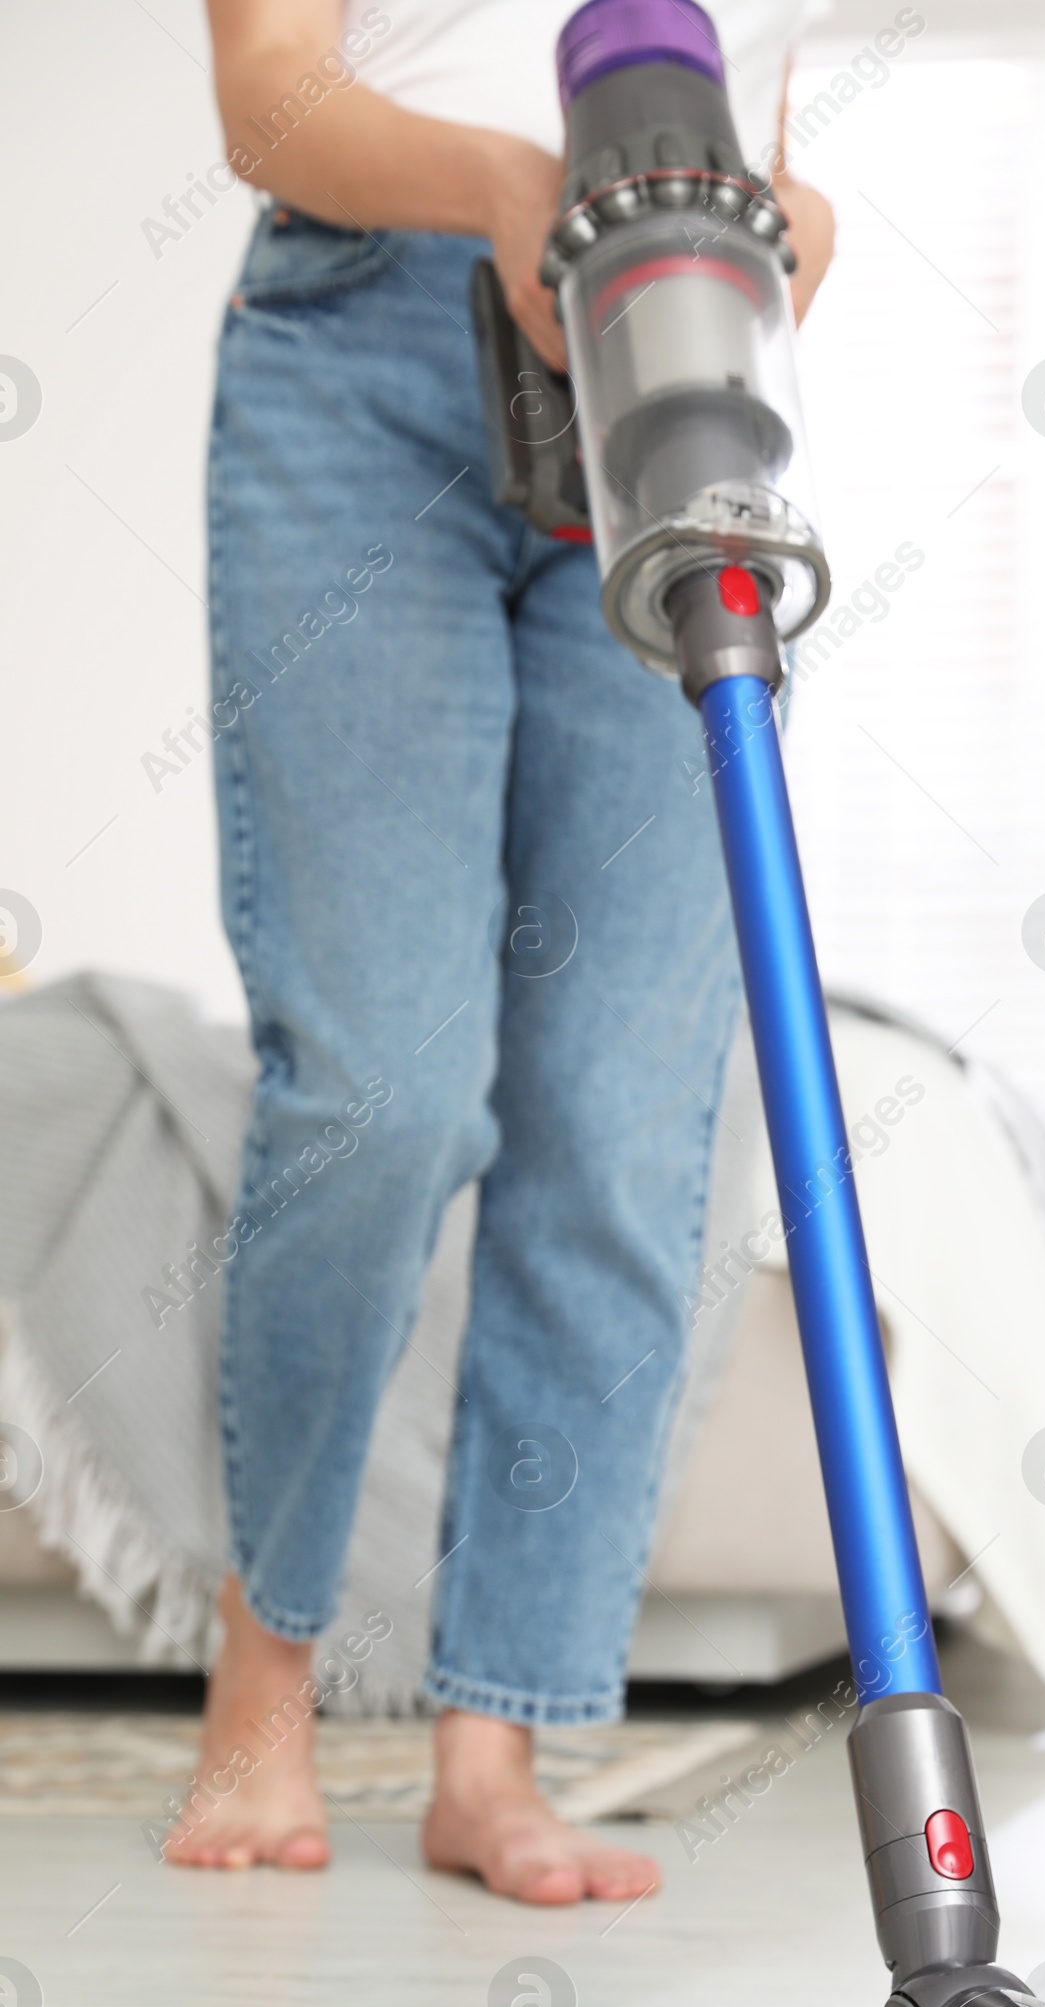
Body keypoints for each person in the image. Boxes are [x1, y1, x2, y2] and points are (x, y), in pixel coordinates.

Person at [168, 0, 834, 1901]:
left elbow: (738, 97)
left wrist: (777, 225)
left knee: (622, 1124)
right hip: (360, 357)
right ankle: (267, 1678)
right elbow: (268, 97)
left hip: (674, 353)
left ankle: (497, 1744)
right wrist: (503, 187)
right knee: (382, 1092)